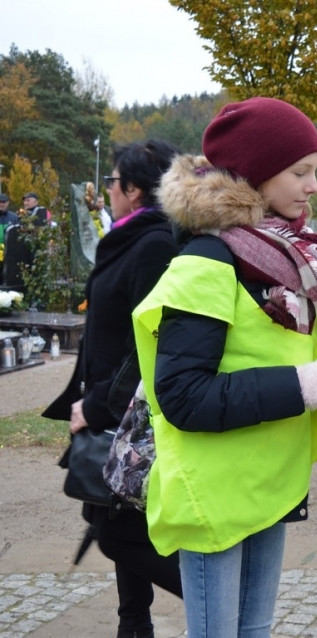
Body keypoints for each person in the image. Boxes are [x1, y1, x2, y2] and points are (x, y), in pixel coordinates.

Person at [131, 97, 317, 638]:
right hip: (217, 494)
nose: (313, 186)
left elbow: (275, 360)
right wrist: (305, 386)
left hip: (270, 481)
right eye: (301, 172)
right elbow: (183, 397)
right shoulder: (206, 261)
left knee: (255, 631)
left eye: (314, 171)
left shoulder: (285, 256)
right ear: (256, 173)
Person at [44, 139, 184, 638]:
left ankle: (215, 596)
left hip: (126, 413)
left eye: (114, 181)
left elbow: (147, 344)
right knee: (121, 519)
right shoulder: (130, 237)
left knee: (118, 534)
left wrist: (98, 405)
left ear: (134, 190)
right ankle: (134, 625)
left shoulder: (155, 244)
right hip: (109, 405)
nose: (107, 190)